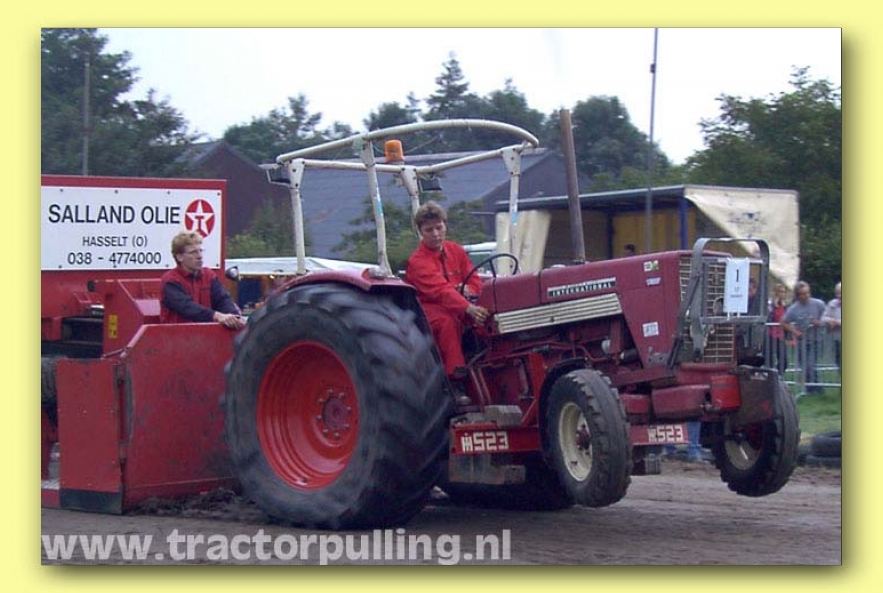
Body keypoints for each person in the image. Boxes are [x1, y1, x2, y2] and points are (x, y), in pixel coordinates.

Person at [406, 201, 489, 381]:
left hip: (460, 303)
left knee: (488, 316)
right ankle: (455, 376)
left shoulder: (456, 250)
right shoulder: (418, 262)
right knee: (447, 322)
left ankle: (490, 362)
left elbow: (474, 279)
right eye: (429, 230)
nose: (435, 234)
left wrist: (469, 291)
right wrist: (468, 308)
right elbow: (440, 291)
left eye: (439, 227)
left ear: (445, 225)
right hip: (430, 308)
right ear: (420, 232)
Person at [160, 231, 246, 329]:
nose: (199, 256)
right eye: (193, 252)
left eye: (200, 251)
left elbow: (222, 299)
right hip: (175, 335)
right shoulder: (170, 281)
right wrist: (217, 316)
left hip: (207, 333)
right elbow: (187, 307)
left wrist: (234, 316)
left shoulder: (209, 276)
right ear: (179, 257)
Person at [781, 280, 826, 393]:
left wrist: (820, 322)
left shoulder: (819, 304)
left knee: (811, 364)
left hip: (816, 339)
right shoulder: (793, 309)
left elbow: (827, 317)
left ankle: (816, 388)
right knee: (805, 366)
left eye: (807, 293)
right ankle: (810, 388)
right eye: (803, 294)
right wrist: (795, 331)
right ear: (798, 295)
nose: (806, 296)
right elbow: (784, 322)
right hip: (802, 341)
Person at [767, 283, 790, 375]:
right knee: (770, 360)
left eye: (784, 292)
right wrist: (774, 306)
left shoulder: (785, 306)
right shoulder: (770, 305)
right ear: (776, 293)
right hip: (770, 335)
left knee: (784, 361)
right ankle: (771, 377)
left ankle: (777, 376)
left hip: (780, 336)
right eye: (780, 292)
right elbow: (768, 318)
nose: (782, 294)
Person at [822, 281, 841, 374]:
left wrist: (837, 322)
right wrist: (830, 320)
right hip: (837, 339)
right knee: (839, 363)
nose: (839, 296)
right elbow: (823, 317)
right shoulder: (832, 304)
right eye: (838, 293)